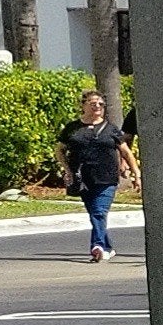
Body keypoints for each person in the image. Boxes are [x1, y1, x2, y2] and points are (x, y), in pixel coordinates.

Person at [59, 91, 134, 262]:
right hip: (83, 178)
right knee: (94, 213)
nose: (97, 107)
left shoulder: (111, 129)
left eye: (101, 104)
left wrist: (135, 173)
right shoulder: (72, 128)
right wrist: (67, 169)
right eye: (93, 103)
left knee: (99, 212)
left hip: (107, 178)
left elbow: (126, 152)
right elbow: (60, 150)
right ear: (83, 105)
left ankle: (97, 246)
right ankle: (107, 247)